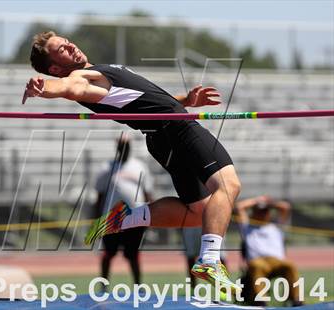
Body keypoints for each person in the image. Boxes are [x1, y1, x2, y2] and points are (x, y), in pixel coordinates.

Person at [24, 31, 242, 293]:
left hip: (162, 136)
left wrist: (185, 100)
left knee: (199, 213)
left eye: (66, 41)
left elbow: (142, 101)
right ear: (55, 67)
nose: (70, 46)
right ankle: (209, 260)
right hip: (177, 129)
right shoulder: (82, 78)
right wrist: (44, 87)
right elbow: (70, 88)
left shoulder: (99, 74)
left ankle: (125, 218)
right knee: (228, 186)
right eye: (61, 49)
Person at [93, 136, 153, 288]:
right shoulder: (107, 168)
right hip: (112, 218)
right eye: (121, 145)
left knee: (132, 254)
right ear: (117, 147)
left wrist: (151, 216)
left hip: (135, 217)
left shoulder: (139, 166)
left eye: (126, 145)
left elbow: (147, 193)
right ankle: (103, 287)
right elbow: (100, 195)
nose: (124, 149)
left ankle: (138, 287)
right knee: (108, 253)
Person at [236, 195, 303, 307]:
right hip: (258, 261)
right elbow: (239, 207)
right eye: (259, 211)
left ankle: (296, 301)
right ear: (253, 213)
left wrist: (269, 202)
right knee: (257, 266)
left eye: (265, 211)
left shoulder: (277, 226)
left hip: (277, 261)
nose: (262, 214)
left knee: (290, 265)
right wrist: (257, 201)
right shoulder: (247, 227)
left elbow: (285, 207)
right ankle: (260, 302)